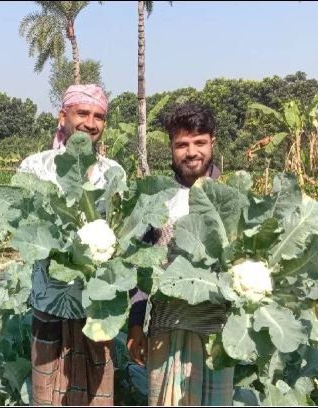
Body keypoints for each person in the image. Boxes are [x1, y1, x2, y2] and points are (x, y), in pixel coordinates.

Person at [16, 84, 124, 406]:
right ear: (63, 117)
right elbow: (24, 231)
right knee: (48, 393)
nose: (91, 123)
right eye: (83, 113)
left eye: (99, 116)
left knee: (97, 392)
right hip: (51, 301)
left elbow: (123, 233)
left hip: (99, 308)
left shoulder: (114, 173)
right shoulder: (35, 168)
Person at [126, 102, 233, 406]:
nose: (191, 152)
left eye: (199, 143)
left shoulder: (231, 196)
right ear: (171, 147)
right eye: (181, 144)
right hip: (165, 326)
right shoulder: (157, 198)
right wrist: (136, 324)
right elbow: (139, 266)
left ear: (212, 142)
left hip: (216, 334)